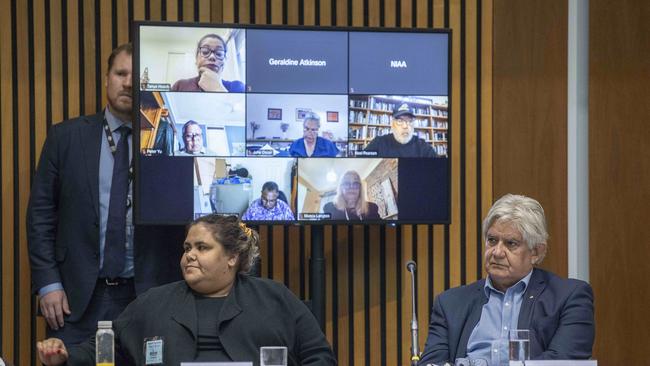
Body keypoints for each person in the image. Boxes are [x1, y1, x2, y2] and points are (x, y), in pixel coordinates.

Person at [27, 43, 183, 346]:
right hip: (74, 298)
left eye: (135, 77)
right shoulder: (65, 138)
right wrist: (47, 284)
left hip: (147, 294)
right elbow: (40, 217)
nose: (127, 82)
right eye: (120, 73)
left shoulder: (168, 139)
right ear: (106, 78)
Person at [37, 215, 337, 366]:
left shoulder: (275, 298)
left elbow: (319, 357)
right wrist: (66, 355)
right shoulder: (154, 302)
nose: (189, 255)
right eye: (187, 248)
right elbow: (107, 347)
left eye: (202, 248)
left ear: (232, 257)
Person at [418, 194, 594, 365]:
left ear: (536, 252)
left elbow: (562, 361)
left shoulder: (568, 297)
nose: (497, 252)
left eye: (511, 243)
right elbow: (432, 363)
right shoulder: (451, 304)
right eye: (492, 240)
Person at [171, 33, 245, 92]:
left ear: (224, 61)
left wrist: (218, 89)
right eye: (205, 52)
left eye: (219, 53)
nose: (212, 57)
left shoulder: (237, 87)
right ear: (196, 59)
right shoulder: (180, 86)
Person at [364, 103, 439, 158]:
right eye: (400, 121)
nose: (405, 126)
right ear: (392, 123)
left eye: (409, 121)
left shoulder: (424, 147)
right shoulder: (378, 143)